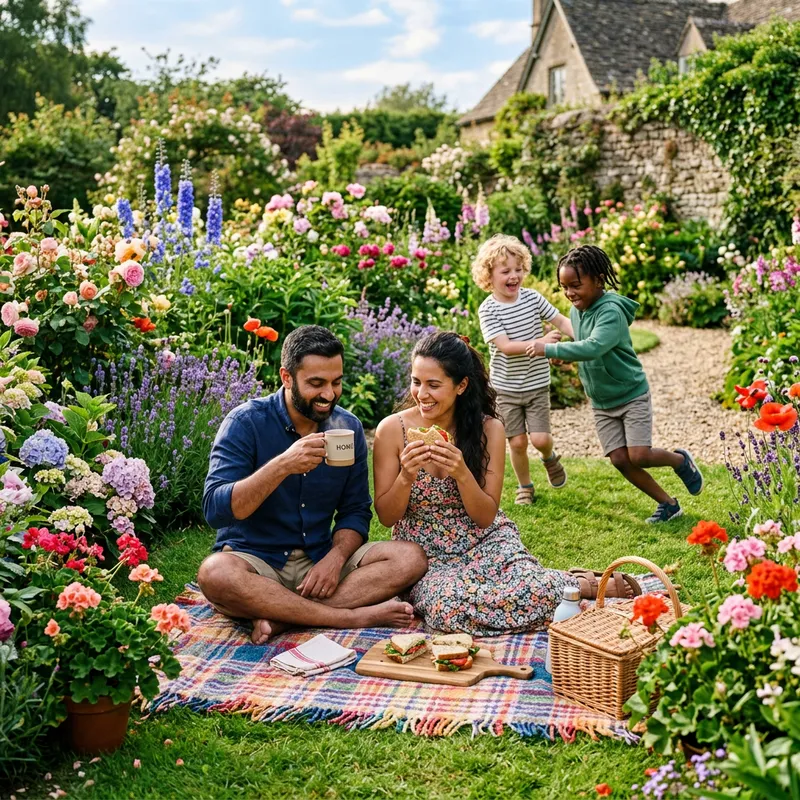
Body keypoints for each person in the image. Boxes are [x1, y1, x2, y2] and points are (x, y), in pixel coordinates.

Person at [372, 331, 637, 636]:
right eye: (416, 381)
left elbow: (485, 516)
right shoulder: (392, 430)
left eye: (434, 385)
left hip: (486, 541)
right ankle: (571, 586)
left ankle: (575, 585)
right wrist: (406, 475)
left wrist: (461, 472)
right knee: (449, 609)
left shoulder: (489, 430)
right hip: (425, 554)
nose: (422, 394)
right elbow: (387, 517)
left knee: (532, 590)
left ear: (461, 386)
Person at [198, 325, 428, 644]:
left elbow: (355, 511)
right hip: (257, 559)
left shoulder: (346, 428)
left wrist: (334, 559)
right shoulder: (245, 423)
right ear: (287, 377)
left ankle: (281, 619)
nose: (329, 394)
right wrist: (282, 465)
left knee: (410, 558)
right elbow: (215, 510)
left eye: (336, 382)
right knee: (215, 574)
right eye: (316, 383)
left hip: (319, 560)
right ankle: (347, 617)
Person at [530, 245, 704, 523]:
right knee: (620, 459)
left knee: (640, 455)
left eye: (576, 285)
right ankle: (668, 504)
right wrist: (565, 355)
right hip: (601, 401)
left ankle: (680, 461)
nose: (569, 293)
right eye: (564, 287)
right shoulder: (578, 310)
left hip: (630, 394)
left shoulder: (610, 310)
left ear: (599, 280)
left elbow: (595, 346)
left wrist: (550, 350)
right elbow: (583, 345)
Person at [474, 234, 572, 505]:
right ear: (489, 276)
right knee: (516, 443)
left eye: (518, 269)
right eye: (505, 271)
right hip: (505, 388)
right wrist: (540, 342)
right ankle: (525, 486)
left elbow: (559, 319)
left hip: (536, 383)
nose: (514, 276)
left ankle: (549, 457)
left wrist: (583, 338)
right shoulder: (489, 309)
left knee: (540, 439)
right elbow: (505, 346)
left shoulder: (531, 298)